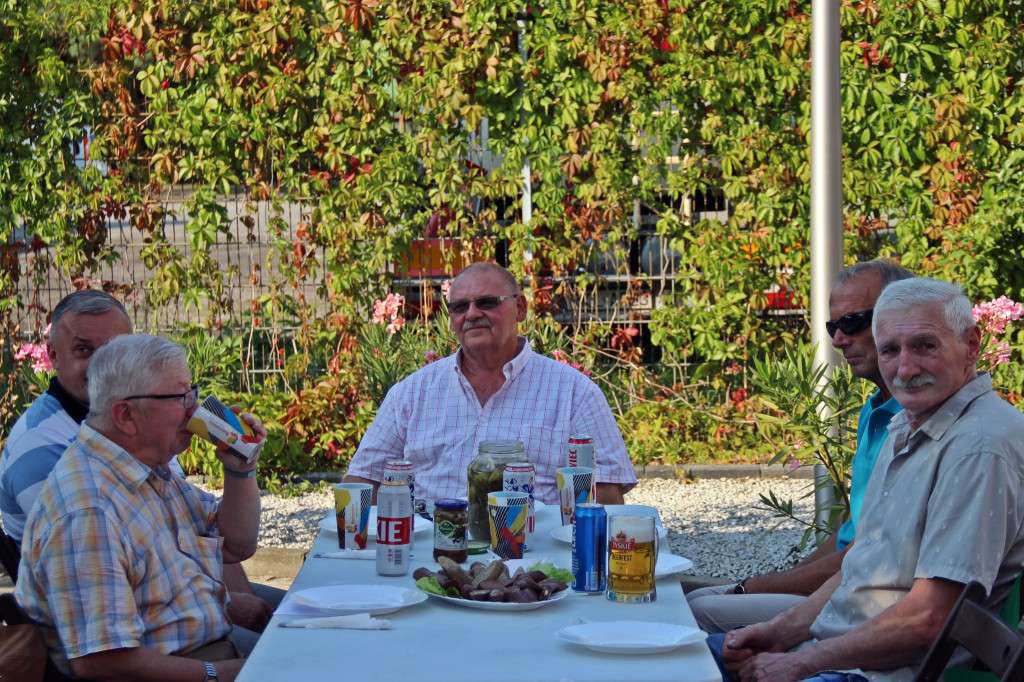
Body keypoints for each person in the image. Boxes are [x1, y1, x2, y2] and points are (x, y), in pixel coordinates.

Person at [712, 277, 1024, 682]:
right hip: (837, 652)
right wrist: (780, 631)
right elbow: (860, 566)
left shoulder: (979, 448)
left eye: (925, 346)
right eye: (891, 351)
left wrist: (800, 661)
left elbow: (929, 618)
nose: (906, 368)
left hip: (878, 674)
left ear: (971, 345)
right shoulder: (907, 425)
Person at [0, 290, 280, 652]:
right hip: (152, 634)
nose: (106, 362)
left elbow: (228, 543)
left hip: (184, 605)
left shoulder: (138, 450)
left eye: (116, 347)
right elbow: (101, 641)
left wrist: (240, 470)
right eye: (86, 350)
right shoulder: (58, 467)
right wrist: (226, 633)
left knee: (310, 622)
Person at [687, 259, 914, 633]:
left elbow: (867, 556)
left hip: (868, 603)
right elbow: (853, 529)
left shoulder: (915, 424)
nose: (838, 340)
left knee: (699, 611)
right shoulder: (874, 409)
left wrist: (755, 586)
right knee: (698, 601)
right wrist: (784, 578)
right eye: (832, 326)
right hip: (845, 585)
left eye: (852, 323)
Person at [344, 261, 637, 504]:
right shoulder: (410, 394)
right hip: (428, 553)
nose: (472, 314)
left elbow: (607, 494)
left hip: (532, 560)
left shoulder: (575, 393)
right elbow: (361, 482)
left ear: (520, 309)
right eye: (459, 307)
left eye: (486, 302)